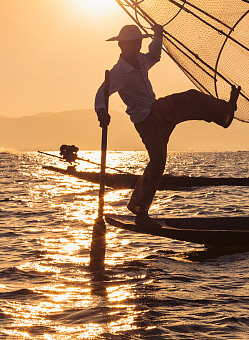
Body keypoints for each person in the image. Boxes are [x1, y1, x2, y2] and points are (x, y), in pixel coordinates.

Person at [95, 23, 240, 226]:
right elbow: (101, 93)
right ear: (121, 46)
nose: (135, 46)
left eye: (137, 43)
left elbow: (154, 55)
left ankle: (224, 111)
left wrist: (158, 35)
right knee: (158, 161)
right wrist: (102, 112)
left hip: (158, 108)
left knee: (191, 97)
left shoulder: (141, 60)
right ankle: (139, 208)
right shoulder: (119, 72)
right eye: (131, 44)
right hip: (146, 121)